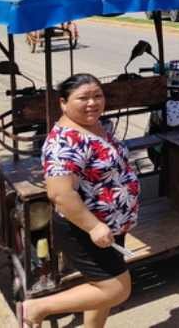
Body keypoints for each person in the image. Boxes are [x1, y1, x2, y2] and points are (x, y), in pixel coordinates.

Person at [20, 74, 139, 328]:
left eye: (97, 96)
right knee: (115, 288)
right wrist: (94, 226)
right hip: (85, 228)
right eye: (83, 98)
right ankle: (37, 307)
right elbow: (60, 194)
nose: (92, 103)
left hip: (110, 224)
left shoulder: (94, 125)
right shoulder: (64, 141)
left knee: (101, 287)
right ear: (63, 103)